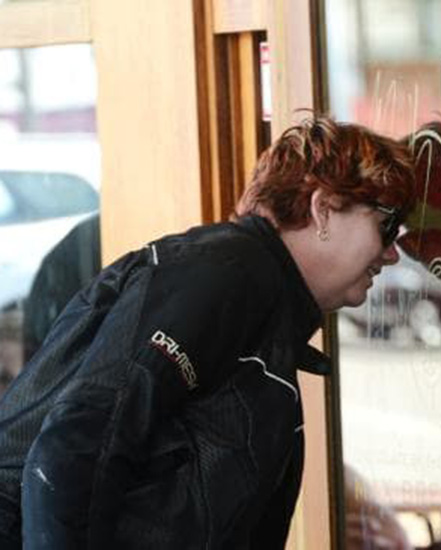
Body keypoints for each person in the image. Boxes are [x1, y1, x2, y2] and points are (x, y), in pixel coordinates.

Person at [0, 116, 416, 549]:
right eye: (387, 225)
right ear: (323, 208)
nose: (391, 254)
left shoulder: (262, 301)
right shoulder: (223, 274)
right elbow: (77, 446)